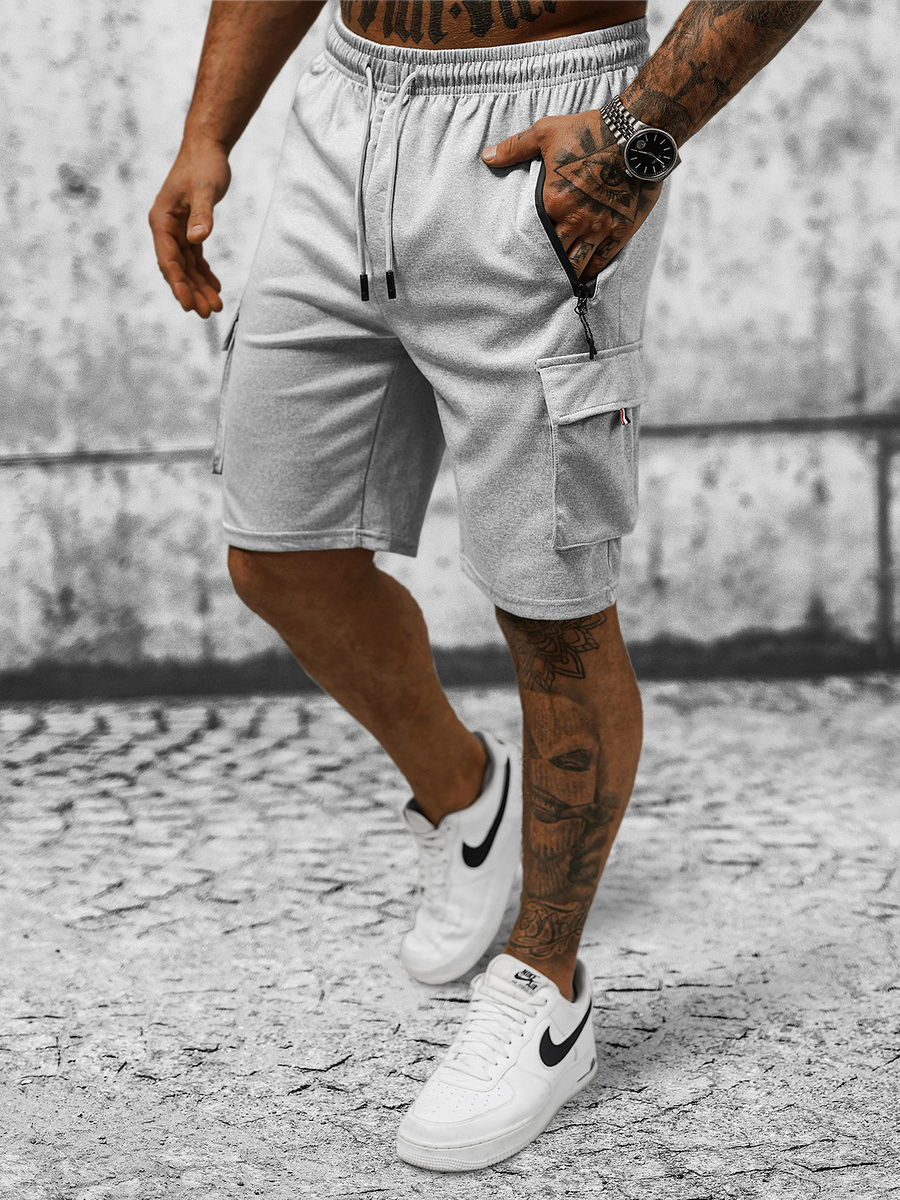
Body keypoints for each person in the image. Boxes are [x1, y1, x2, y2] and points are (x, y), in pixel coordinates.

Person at [150, 0, 821, 1172]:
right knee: (277, 553)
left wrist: (636, 140)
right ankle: (470, 802)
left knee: (552, 612)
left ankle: (545, 988)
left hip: (542, 128)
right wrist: (211, 128)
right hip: (344, 116)